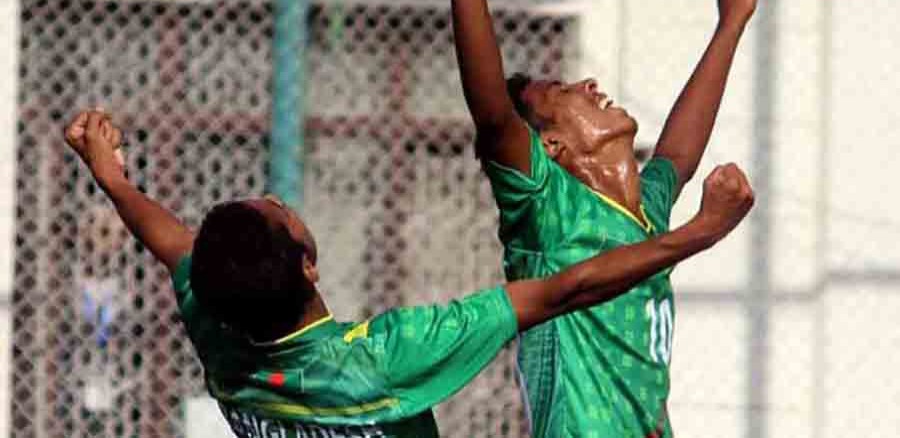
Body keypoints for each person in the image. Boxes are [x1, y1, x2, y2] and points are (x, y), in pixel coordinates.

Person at [63, 106, 752, 438]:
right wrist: (698, 234)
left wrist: (112, 180)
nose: (277, 197)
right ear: (308, 265)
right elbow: (567, 289)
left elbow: (171, 243)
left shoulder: (220, 329)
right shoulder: (384, 362)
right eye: (279, 210)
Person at [426, 0, 770, 437]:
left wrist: (730, 22)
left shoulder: (642, 208)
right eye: (561, 91)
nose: (587, 82)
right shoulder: (547, 211)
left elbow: (676, 156)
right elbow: (493, 116)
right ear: (551, 148)